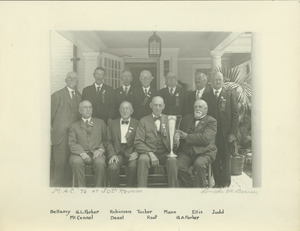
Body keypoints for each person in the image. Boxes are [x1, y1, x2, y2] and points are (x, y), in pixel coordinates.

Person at [202, 72, 239, 187]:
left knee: (226, 157)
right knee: (215, 157)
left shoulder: (229, 94)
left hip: (226, 133)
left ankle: (226, 183)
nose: (217, 82)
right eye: (215, 80)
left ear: (223, 81)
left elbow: (235, 115)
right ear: (211, 82)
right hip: (212, 134)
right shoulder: (206, 96)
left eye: (219, 80)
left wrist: (233, 133)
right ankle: (218, 182)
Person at [134, 96, 180, 187]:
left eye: (160, 105)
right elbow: (138, 142)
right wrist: (150, 154)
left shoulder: (169, 120)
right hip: (148, 153)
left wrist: (176, 140)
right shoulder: (144, 120)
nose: (158, 108)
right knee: (142, 160)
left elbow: (174, 146)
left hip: (164, 153)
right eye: (155, 105)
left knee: (173, 161)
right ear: (151, 105)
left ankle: (173, 192)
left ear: (164, 106)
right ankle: (141, 191)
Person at [177, 99, 217, 187]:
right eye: (195, 107)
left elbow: (205, 139)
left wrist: (187, 136)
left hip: (205, 152)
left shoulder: (211, 121)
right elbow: (179, 133)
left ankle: (200, 192)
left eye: (200, 107)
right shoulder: (186, 119)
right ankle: (191, 187)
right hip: (187, 152)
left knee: (199, 164)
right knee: (178, 166)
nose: (197, 109)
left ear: (206, 109)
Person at [51, 71, 81, 187]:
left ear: (77, 81)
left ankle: (68, 190)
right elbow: (50, 116)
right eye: (69, 78)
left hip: (74, 137)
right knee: (60, 163)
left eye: (74, 78)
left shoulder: (79, 95)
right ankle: (56, 189)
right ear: (65, 80)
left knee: (70, 163)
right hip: (61, 136)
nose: (72, 80)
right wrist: (57, 129)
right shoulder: (57, 95)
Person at [69, 100, 107, 187]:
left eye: (90, 107)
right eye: (85, 107)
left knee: (100, 163)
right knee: (76, 162)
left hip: (97, 152)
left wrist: (100, 150)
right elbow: (72, 143)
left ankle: (98, 190)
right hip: (79, 154)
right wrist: (82, 153)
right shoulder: (74, 126)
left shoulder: (100, 123)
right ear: (80, 110)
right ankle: (81, 190)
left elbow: (106, 140)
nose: (88, 109)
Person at [106, 101, 139, 187]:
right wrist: (112, 154)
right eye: (122, 108)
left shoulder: (137, 123)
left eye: (127, 108)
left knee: (133, 167)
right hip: (117, 152)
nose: (125, 111)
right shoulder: (112, 123)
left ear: (132, 111)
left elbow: (140, 140)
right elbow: (108, 141)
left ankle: (129, 191)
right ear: (119, 110)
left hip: (131, 152)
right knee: (112, 167)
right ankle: (115, 191)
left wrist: (136, 152)